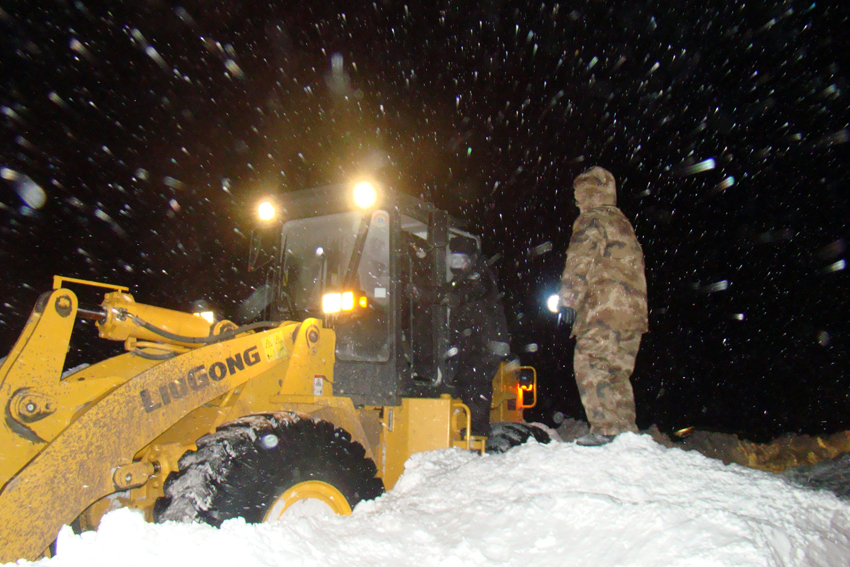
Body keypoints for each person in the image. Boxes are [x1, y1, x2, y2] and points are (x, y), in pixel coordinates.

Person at [558, 166, 648, 447]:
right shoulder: (622, 222)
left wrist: (568, 301)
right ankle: (623, 432)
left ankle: (606, 430)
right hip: (632, 315)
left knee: (589, 362)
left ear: (589, 191)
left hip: (604, 311)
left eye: (579, 193)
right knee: (616, 371)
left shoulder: (592, 220)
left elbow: (580, 262)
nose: (576, 200)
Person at [443, 236, 511, 437]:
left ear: (471, 259)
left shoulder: (479, 275)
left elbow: (470, 291)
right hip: (477, 341)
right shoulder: (462, 280)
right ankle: (476, 425)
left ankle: (479, 430)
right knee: (466, 375)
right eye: (453, 262)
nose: (457, 266)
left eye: (461, 261)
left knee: (473, 377)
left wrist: (453, 297)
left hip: (487, 343)